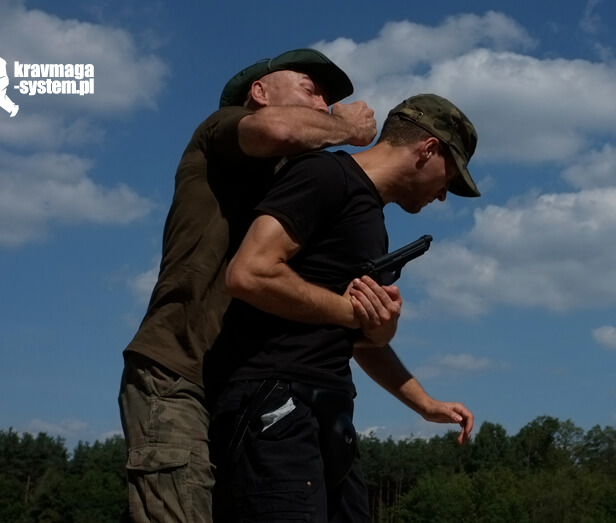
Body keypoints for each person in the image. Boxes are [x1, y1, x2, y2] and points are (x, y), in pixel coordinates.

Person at [119, 48, 377, 523]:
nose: (322, 104)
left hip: (240, 390)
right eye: (309, 89)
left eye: (327, 99)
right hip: (178, 373)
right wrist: (349, 131)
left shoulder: (291, 181)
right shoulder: (220, 129)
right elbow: (279, 130)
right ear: (260, 93)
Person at [210, 93, 479, 522]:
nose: (445, 195)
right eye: (452, 176)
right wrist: (354, 316)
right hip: (276, 403)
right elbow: (250, 272)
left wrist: (424, 403)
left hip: (329, 416)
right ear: (428, 149)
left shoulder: (371, 217)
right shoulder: (325, 174)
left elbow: (357, 336)